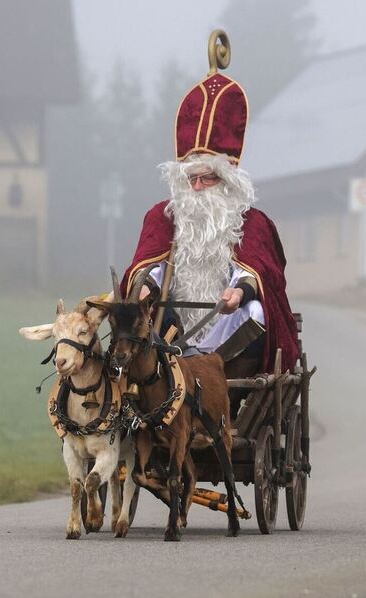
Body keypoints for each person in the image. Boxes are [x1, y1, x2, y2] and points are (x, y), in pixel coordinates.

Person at [119, 68, 299, 376]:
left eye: (208, 178)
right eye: (192, 179)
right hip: (170, 332)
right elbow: (150, 265)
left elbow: (258, 272)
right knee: (141, 320)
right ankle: (178, 364)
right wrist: (146, 286)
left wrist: (240, 292)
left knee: (255, 312)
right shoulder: (163, 217)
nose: (199, 187)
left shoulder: (252, 222)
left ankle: (214, 373)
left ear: (228, 180)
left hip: (226, 332)